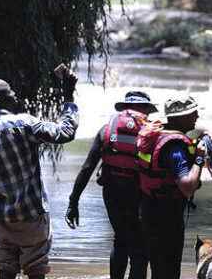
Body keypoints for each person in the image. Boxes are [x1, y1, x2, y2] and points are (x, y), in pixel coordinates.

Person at [0, 74, 79, 279]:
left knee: (5, 271)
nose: (16, 96)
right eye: (11, 93)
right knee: (36, 270)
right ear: (1, 100)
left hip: (0, 220)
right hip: (32, 216)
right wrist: (68, 96)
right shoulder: (24, 123)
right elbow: (65, 132)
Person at [65, 91, 157, 279]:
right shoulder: (152, 133)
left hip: (112, 193)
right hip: (138, 195)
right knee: (139, 252)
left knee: (120, 241)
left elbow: (87, 168)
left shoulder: (106, 130)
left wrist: (73, 201)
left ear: (124, 109)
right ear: (146, 109)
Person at [136, 94, 211, 279]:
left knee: (158, 268)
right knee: (169, 270)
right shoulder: (175, 146)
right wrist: (200, 158)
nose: (197, 117)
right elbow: (187, 187)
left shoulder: (158, 135)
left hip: (148, 209)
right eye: (193, 113)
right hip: (166, 216)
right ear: (182, 117)